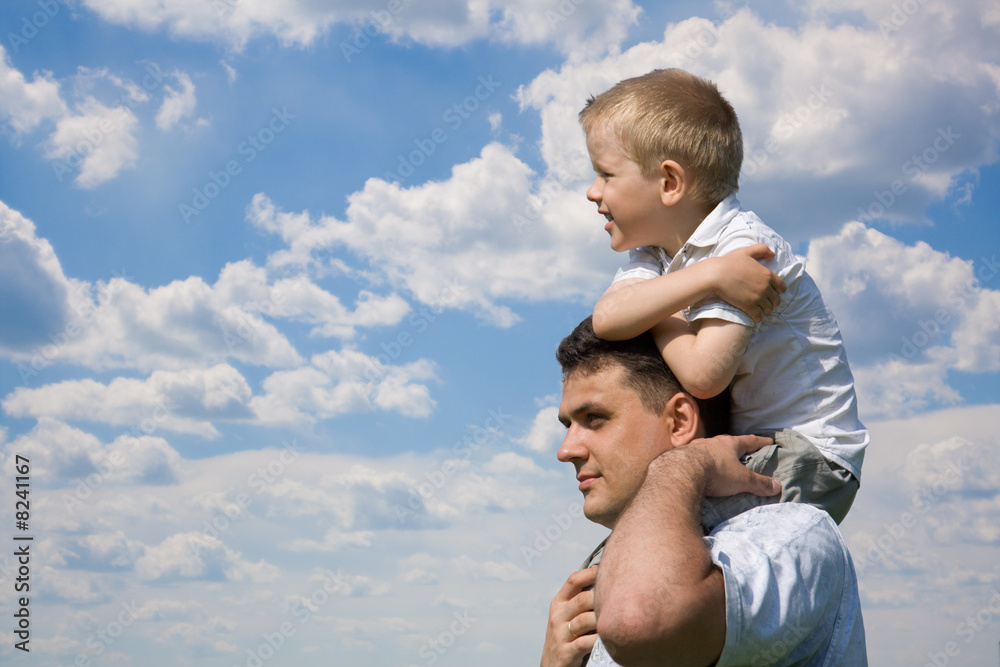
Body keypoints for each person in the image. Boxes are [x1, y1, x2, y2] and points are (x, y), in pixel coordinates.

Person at [580, 68, 868, 525]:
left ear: (669, 182)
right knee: (649, 530)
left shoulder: (746, 248)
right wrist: (706, 277)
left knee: (658, 528)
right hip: (755, 448)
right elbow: (609, 319)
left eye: (606, 174)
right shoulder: (663, 256)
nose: (592, 192)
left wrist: (656, 303)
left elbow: (703, 373)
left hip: (808, 454)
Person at [540, 317, 867, 666]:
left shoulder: (796, 535)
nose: (566, 450)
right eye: (567, 425)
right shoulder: (612, 577)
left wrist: (686, 463)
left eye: (594, 417)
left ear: (680, 421)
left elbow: (638, 619)